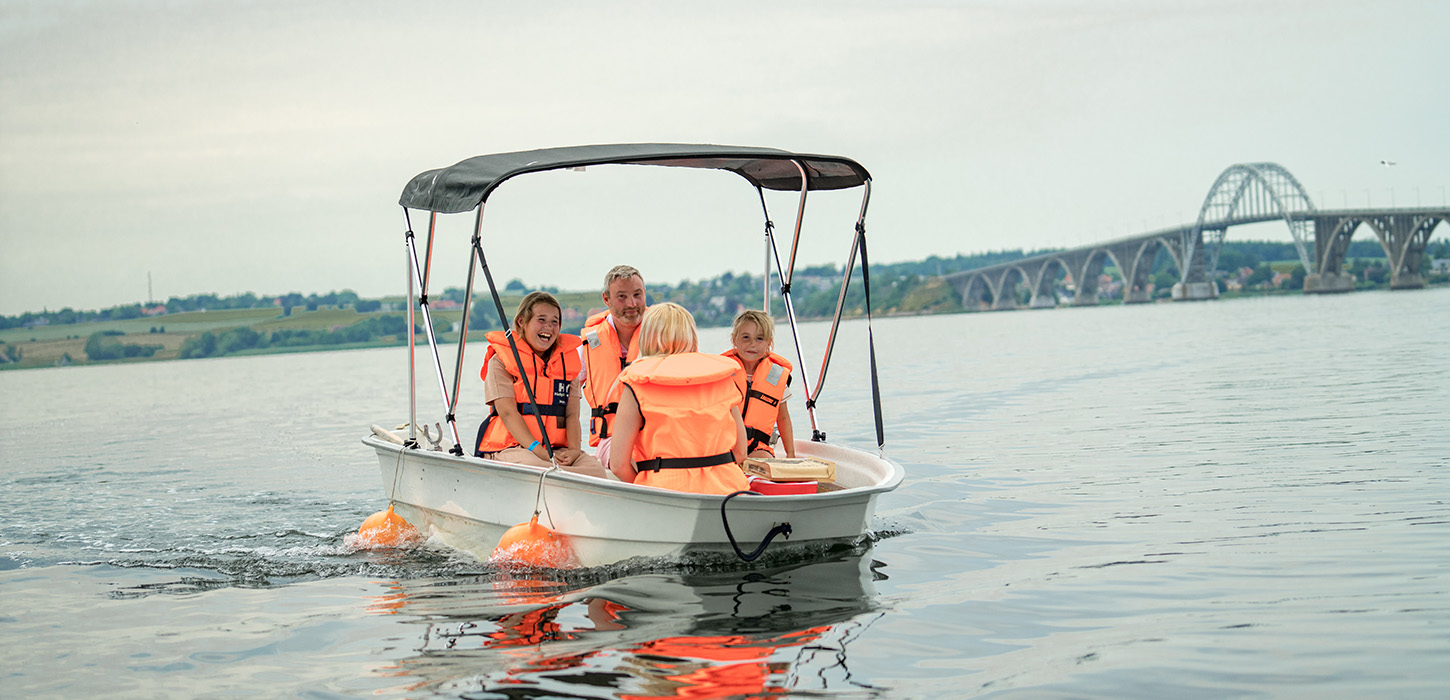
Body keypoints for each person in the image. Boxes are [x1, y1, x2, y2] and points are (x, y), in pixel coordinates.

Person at [608, 303, 750, 494]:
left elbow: (618, 465)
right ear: (691, 335)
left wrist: (647, 485)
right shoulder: (721, 378)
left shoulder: (636, 383)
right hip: (727, 491)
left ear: (646, 337)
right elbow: (741, 452)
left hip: (665, 493)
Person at [475, 291, 609, 479]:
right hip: (513, 448)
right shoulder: (500, 362)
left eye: (555, 321)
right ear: (522, 321)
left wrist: (574, 451)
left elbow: (572, 414)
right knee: (539, 470)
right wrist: (538, 451)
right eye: (541, 319)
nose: (549, 327)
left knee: (595, 470)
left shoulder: (567, 364)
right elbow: (507, 413)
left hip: (556, 449)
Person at [579, 265, 647, 468]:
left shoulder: (663, 335)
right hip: (612, 438)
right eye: (622, 297)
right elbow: (566, 395)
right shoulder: (589, 346)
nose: (632, 304)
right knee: (641, 462)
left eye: (637, 294)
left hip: (659, 433)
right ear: (606, 300)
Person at [722, 309, 796, 458]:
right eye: (746, 337)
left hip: (757, 448)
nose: (752, 344)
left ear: (769, 343)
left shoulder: (776, 375)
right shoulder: (723, 373)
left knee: (767, 462)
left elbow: (783, 418)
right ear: (734, 339)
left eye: (759, 339)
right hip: (726, 445)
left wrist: (791, 454)